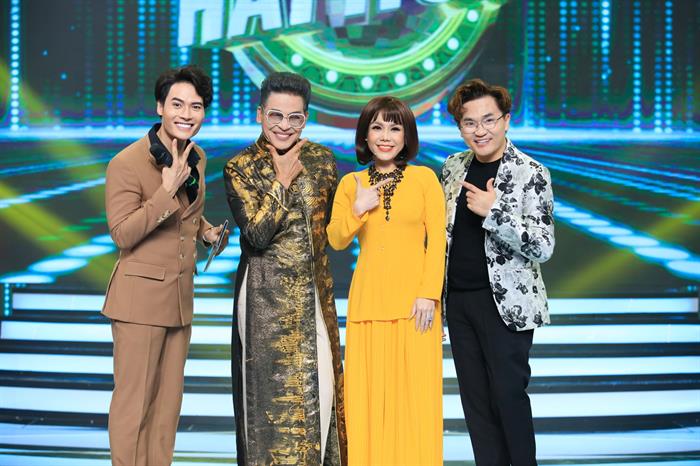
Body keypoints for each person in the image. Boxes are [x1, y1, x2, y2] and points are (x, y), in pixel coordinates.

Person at [102, 65, 228, 466]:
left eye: (196, 106)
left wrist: (206, 232)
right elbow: (123, 233)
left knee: (166, 409)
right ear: (160, 107)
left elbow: (186, 215)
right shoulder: (126, 163)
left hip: (179, 301)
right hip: (139, 302)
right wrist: (166, 189)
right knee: (134, 406)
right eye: (177, 104)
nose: (186, 114)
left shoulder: (196, 156)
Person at [223, 72, 346, 465]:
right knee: (268, 408)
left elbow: (332, 229)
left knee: (322, 397)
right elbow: (257, 235)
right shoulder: (241, 167)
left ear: (305, 118)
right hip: (264, 299)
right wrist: (281, 182)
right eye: (275, 115)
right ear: (260, 114)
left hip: (314, 297)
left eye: (295, 118)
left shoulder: (323, 160)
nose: (284, 126)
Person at [440, 78, 555, 465]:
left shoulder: (530, 172)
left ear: (506, 120)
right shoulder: (452, 168)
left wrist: (496, 213)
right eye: (469, 122)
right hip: (460, 302)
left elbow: (543, 246)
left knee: (507, 397)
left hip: (507, 305)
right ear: (460, 127)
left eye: (488, 120)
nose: (480, 130)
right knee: (476, 404)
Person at [327, 96, 446, 465]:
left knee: (416, 403)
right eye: (377, 127)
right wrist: (358, 209)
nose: (385, 136)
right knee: (367, 405)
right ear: (364, 135)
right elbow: (336, 238)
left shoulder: (425, 179)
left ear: (406, 136)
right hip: (368, 306)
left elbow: (438, 241)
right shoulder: (351, 183)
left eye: (395, 128)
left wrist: (429, 294)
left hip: (416, 307)